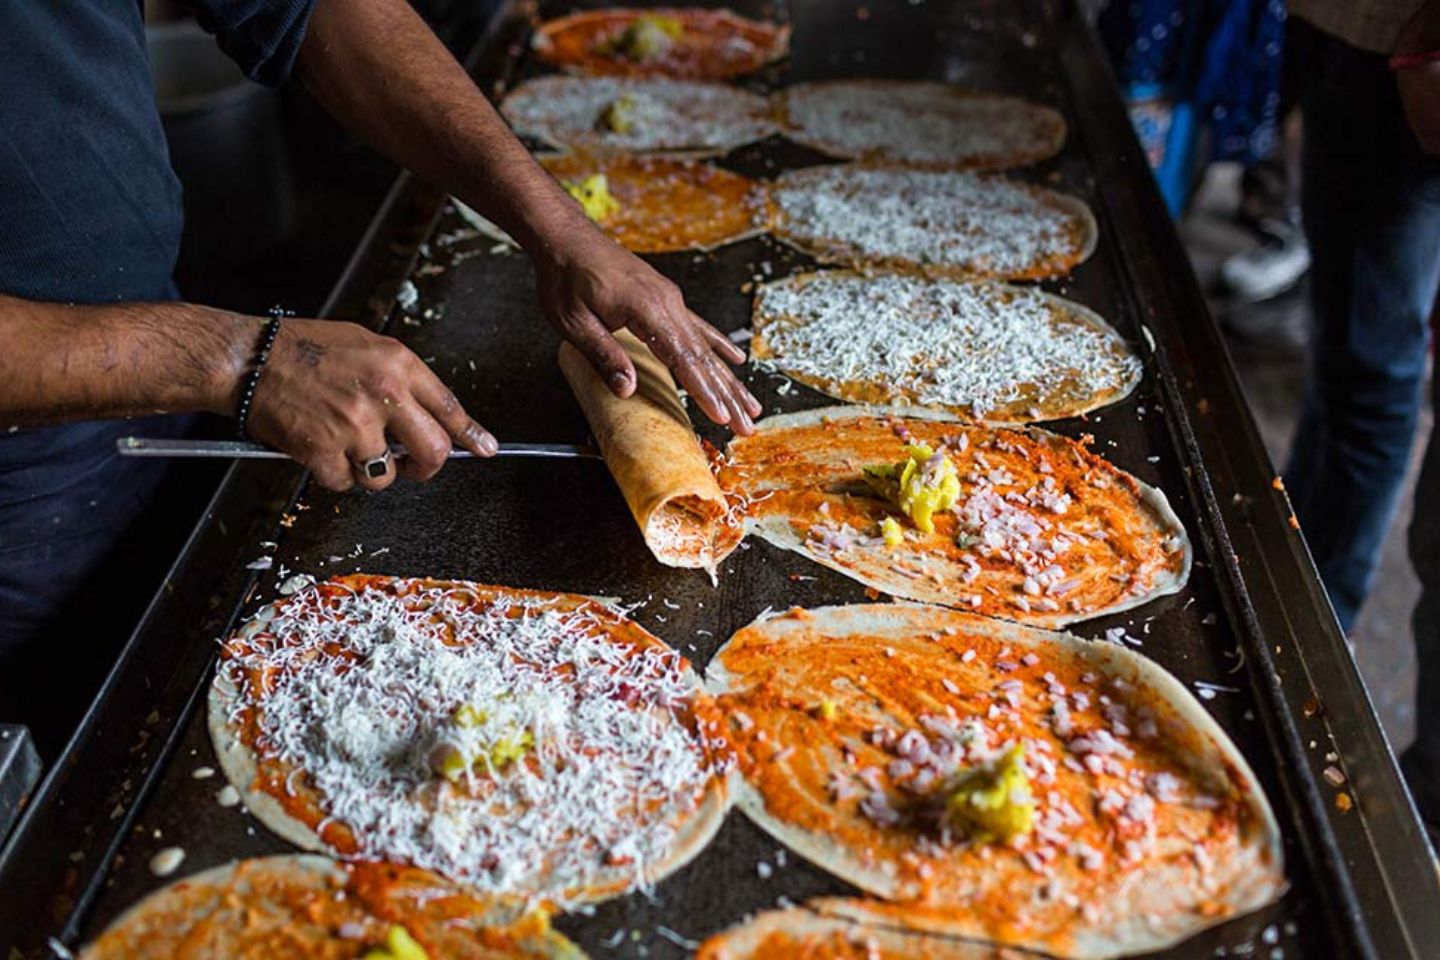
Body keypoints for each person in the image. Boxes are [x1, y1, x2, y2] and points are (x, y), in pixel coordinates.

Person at [0, 0, 760, 751]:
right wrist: (228, 358)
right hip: (22, 485)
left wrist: (559, 230)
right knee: (87, 749)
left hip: (154, 368)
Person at [1281, 0, 1440, 831]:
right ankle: (1293, 620)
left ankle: (1307, 651)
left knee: (1366, 378)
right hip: (1371, 42)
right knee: (1352, 369)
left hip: (1400, 50)